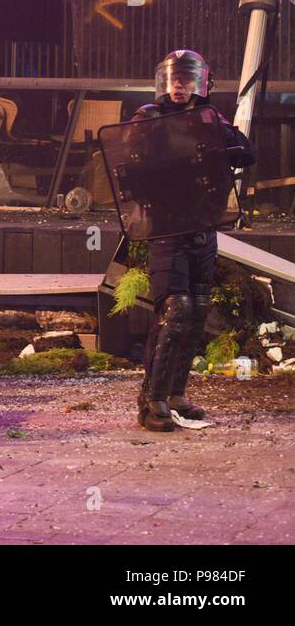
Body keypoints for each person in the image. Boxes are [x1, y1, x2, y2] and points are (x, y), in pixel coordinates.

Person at [132, 50, 254, 432]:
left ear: (199, 83)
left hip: (202, 225)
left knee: (198, 308)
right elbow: (131, 168)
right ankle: (151, 400)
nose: (180, 86)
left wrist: (212, 137)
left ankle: (176, 394)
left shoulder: (209, 118)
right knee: (176, 309)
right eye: (174, 79)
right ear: (164, 82)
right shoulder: (149, 117)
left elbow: (246, 152)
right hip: (167, 228)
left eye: (187, 79)